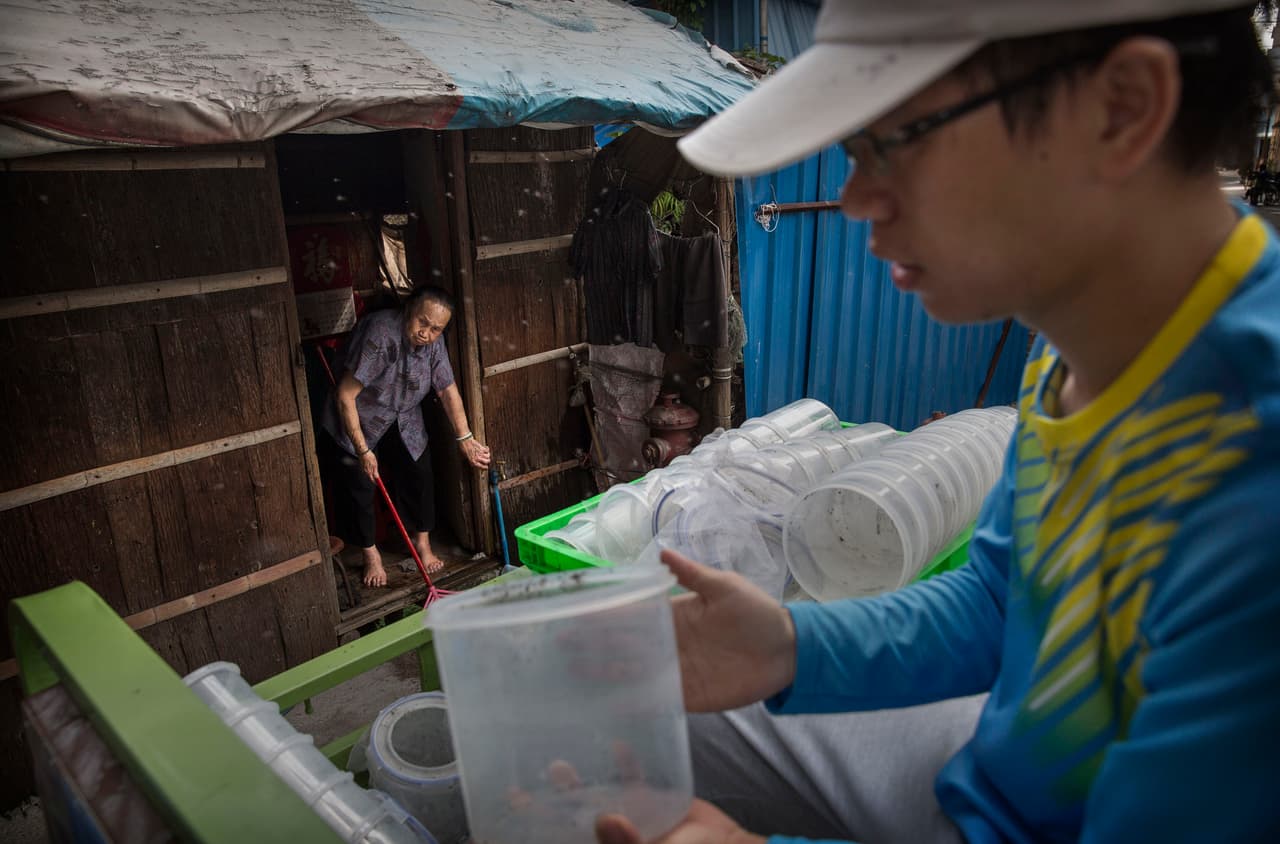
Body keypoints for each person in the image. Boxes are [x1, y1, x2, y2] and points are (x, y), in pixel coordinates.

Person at [595, 1, 1280, 842]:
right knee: (624, 718)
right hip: (996, 771)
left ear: (1122, 108)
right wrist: (785, 647)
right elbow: (1002, 600)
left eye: (893, 141)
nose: (856, 201)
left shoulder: (1254, 484)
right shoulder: (1083, 336)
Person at [321, 285, 490, 587]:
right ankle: (370, 553)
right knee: (359, 486)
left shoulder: (433, 344)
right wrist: (362, 451)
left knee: (419, 474)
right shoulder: (380, 335)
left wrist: (465, 438)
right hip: (361, 414)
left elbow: (447, 389)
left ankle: (422, 544)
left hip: (404, 414)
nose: (426, 333)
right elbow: (345, 395)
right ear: (409, 310)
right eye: (422, 322)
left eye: (436, 329)